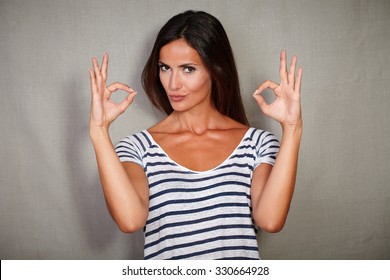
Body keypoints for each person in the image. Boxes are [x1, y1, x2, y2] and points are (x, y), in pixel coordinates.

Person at [89, 10, 302, 260]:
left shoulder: (257, 144)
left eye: (188, 69)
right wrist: (99, 131)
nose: (173, 84)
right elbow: (129, 221)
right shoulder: (136, 148)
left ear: (216, 69)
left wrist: (292, 129)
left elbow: (271, 220)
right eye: (165, 68)